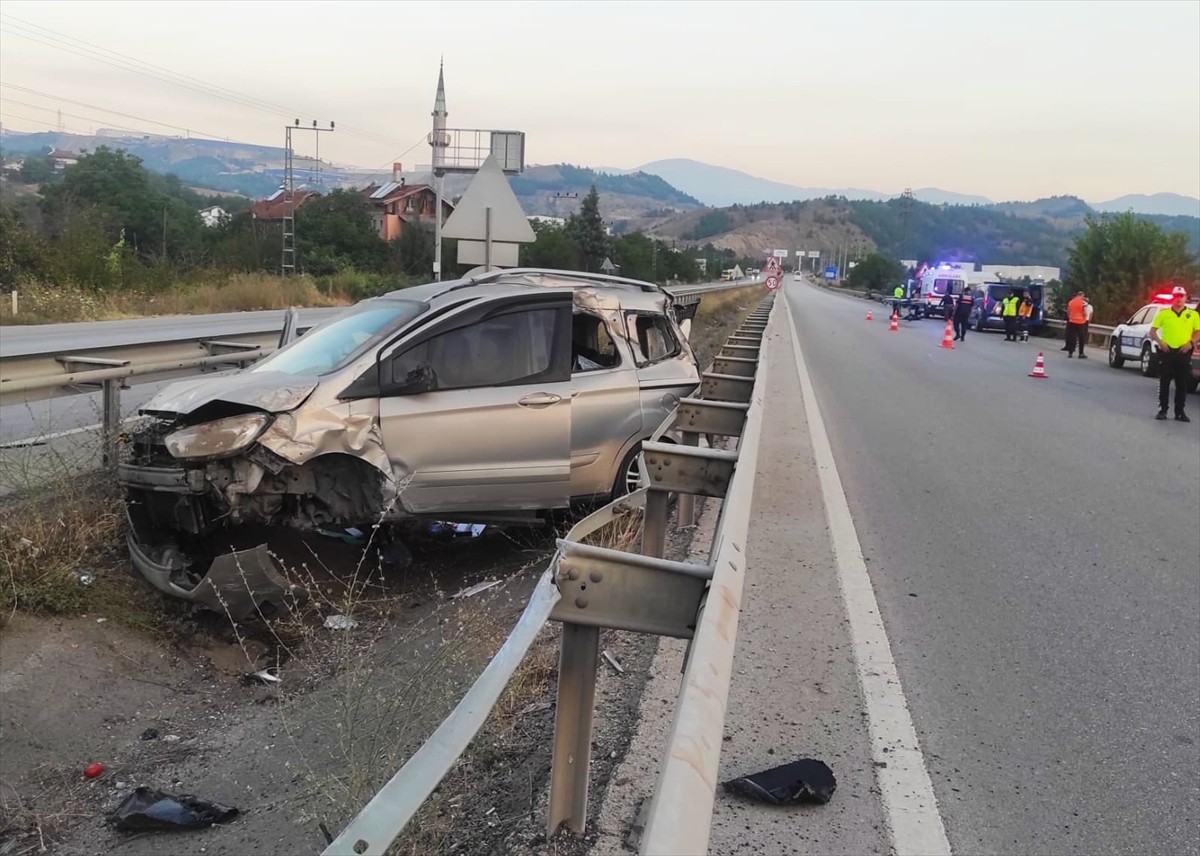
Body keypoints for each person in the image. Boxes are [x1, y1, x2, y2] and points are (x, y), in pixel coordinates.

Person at [1148, 285, 1200, 422]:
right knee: (1164, 381)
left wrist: (1191, 343)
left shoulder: (1193, 315)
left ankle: (1180, 412)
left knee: (1182, 383)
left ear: (1185, 297)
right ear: (1173, 298)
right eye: (1176, 296)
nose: (1179, 299)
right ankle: (1162, 410)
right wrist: (1160, 342)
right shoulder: (1164, 313)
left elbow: (1198, 332)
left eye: (1181, 296)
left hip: (1183, 351)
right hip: (1167, 351)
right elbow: (1152, 331)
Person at [1065, 290, 1088, 358]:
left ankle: (1070, 353)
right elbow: (1085, 312)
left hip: (1072, 321)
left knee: (1072, 337)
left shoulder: (1071, 302)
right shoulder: (1083, 303)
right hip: (1080, 322)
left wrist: (1070, 317)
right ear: (1081, 296)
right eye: (1083, 296)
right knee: (1081, 338)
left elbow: (1068, 312)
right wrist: (1084, 319)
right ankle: (1081, 353)